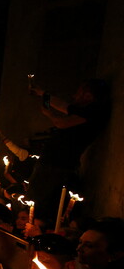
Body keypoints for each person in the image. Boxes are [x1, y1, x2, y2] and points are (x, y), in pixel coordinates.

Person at [28, 79, 110, 212]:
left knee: (40, 199)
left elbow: (62, 123)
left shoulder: (94, 111)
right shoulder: (85, 108)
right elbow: (62, 105)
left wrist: (49, 114)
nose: (74, 96)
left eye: (79, 93)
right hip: (52, 161)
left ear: (88, 96)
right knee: (36, 195)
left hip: (58, 164)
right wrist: (42, 94)